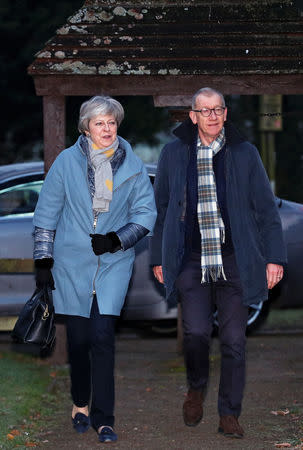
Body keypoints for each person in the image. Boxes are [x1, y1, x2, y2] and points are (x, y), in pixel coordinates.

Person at [150, 87, 287, 439]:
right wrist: (158, 256)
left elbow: (266, 210)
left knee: (233, 341)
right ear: (193, 116)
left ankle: (229, 413)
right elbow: (162, 209)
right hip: (192, 261)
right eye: (204, 110)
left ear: (225, 114)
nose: (211, 116)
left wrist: (274, 258)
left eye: (217, 109)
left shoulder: (245, 153)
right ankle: (196, 388)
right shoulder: (173, 154)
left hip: (235, 259)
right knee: (195, 333)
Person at [33, 95, 157, 444]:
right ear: (85, 128)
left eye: (112, 122)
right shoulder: (65, 163)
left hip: (114, 262)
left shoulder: (132, 165)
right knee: (80, 339)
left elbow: (146, 214)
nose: (107, 129)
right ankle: (80, 403)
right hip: (71, 262)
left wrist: (117, 239)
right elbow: (46, 215)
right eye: (99, 123)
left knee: (103, 337)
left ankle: (104, 419)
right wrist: (44, 262)